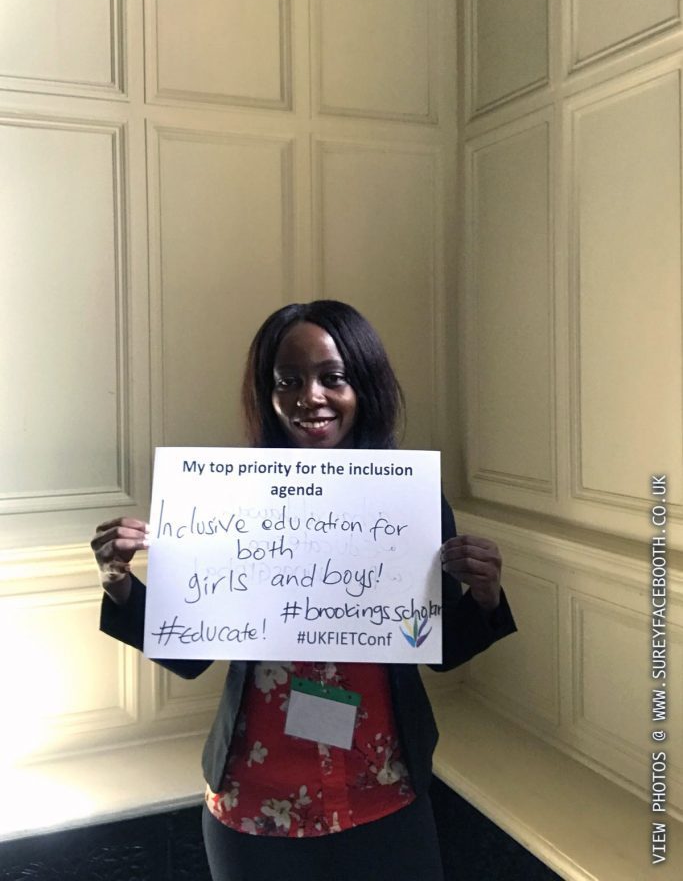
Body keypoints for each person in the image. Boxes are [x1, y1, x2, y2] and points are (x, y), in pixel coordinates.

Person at [92, 300, 516, 881]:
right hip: (255, 803)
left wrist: (485, 596)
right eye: (287, 381)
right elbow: (189, 656)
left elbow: (435, 650)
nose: (308, 397)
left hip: (384, 791)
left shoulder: (408, 501)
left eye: (332, 378)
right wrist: (119, 584)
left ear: (363, 386)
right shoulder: (227, 501)